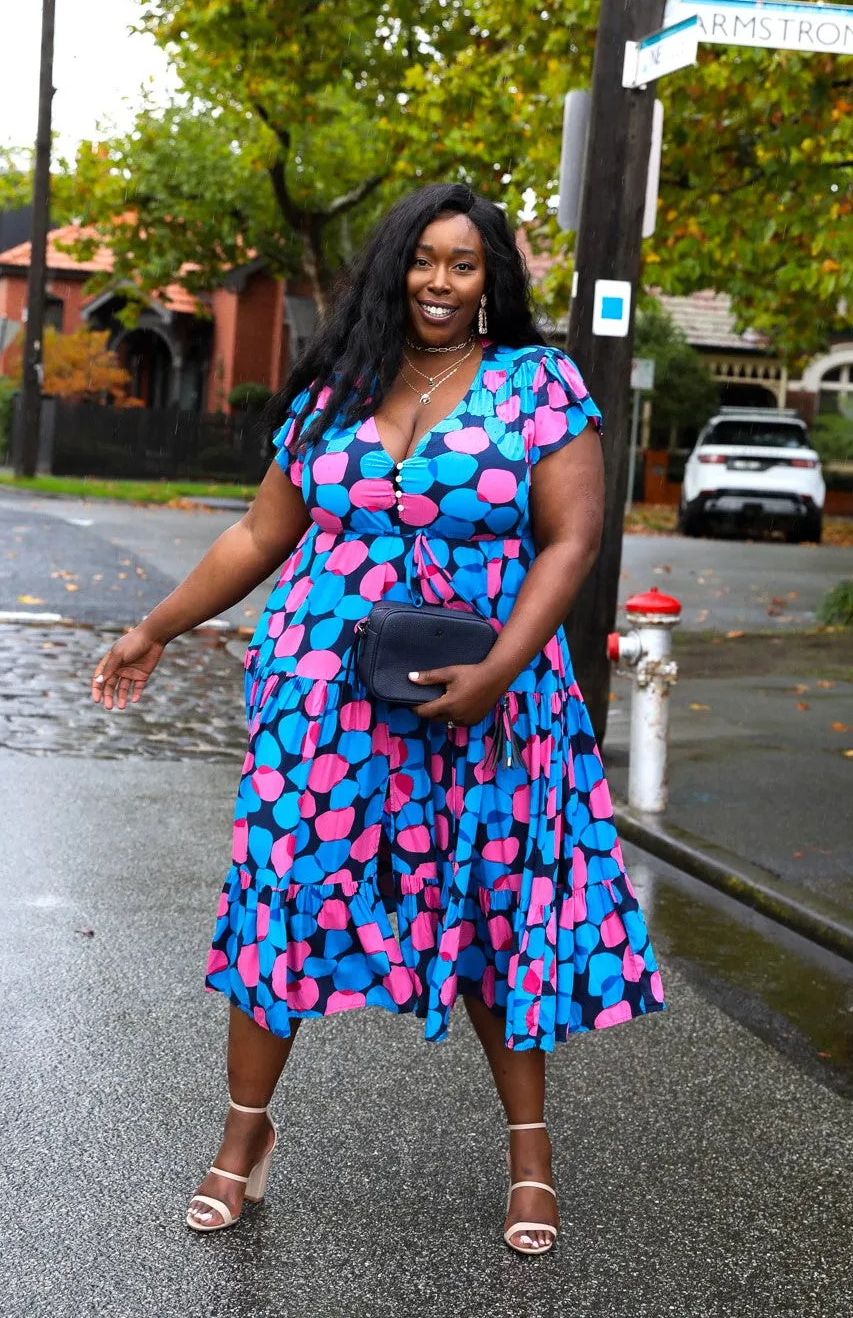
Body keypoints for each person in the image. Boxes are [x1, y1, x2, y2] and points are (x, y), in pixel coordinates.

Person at [91, 182, 664, 1255]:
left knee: (499, 919)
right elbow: (260, 536)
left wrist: (498, 668)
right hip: (325, 708)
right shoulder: (337, 390)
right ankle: (242, 1140)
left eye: (464, 264)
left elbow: (571, 542)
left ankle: (531, 1160)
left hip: (487, 703)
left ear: (493, 276)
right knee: (283, 904)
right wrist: (155, 626)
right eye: (424, 260)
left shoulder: (539, 386)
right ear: (393, 266)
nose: (440, 283)